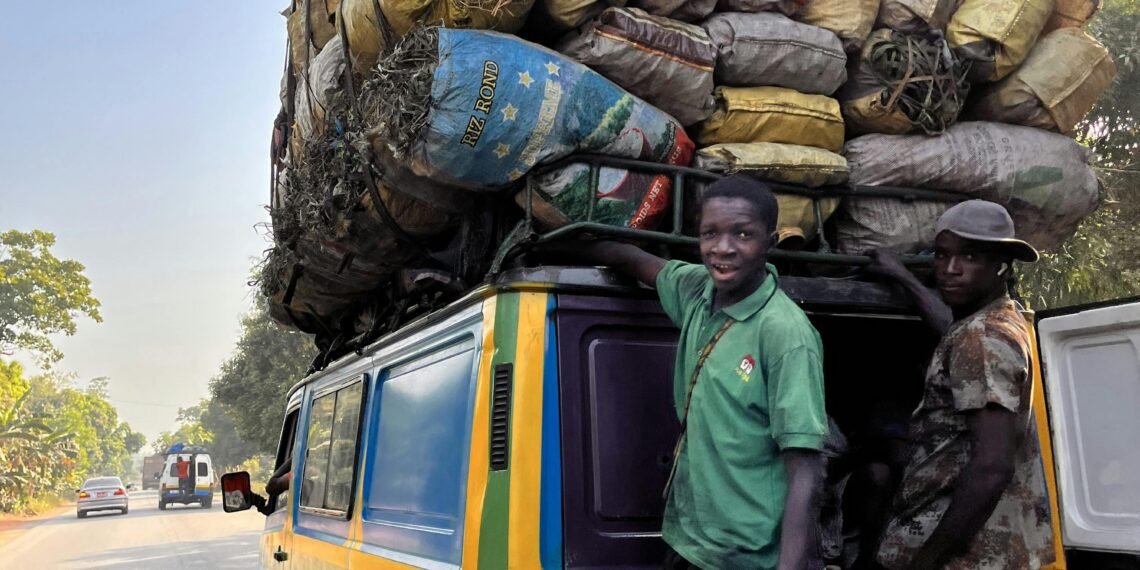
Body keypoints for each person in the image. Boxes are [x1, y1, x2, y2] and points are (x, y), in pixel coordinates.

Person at [554, 175, 828, 570]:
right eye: (710, 233)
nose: (723, 248)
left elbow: (806, 470)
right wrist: (549, 242)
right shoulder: (697, 291)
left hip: (746, 556)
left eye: (743, 235)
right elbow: (630, 259)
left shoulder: (785, 333)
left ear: (770, 242)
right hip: (689, 539)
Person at [865, 200, 1055, 570]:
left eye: (970, 256)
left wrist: (927, 562)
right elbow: (954, 334)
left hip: (968, 556)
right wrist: (903, 277)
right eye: (941, 255)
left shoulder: (981, 337)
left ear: (1002, 264)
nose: (950, 269)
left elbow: (991, 468)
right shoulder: (1001, 320)